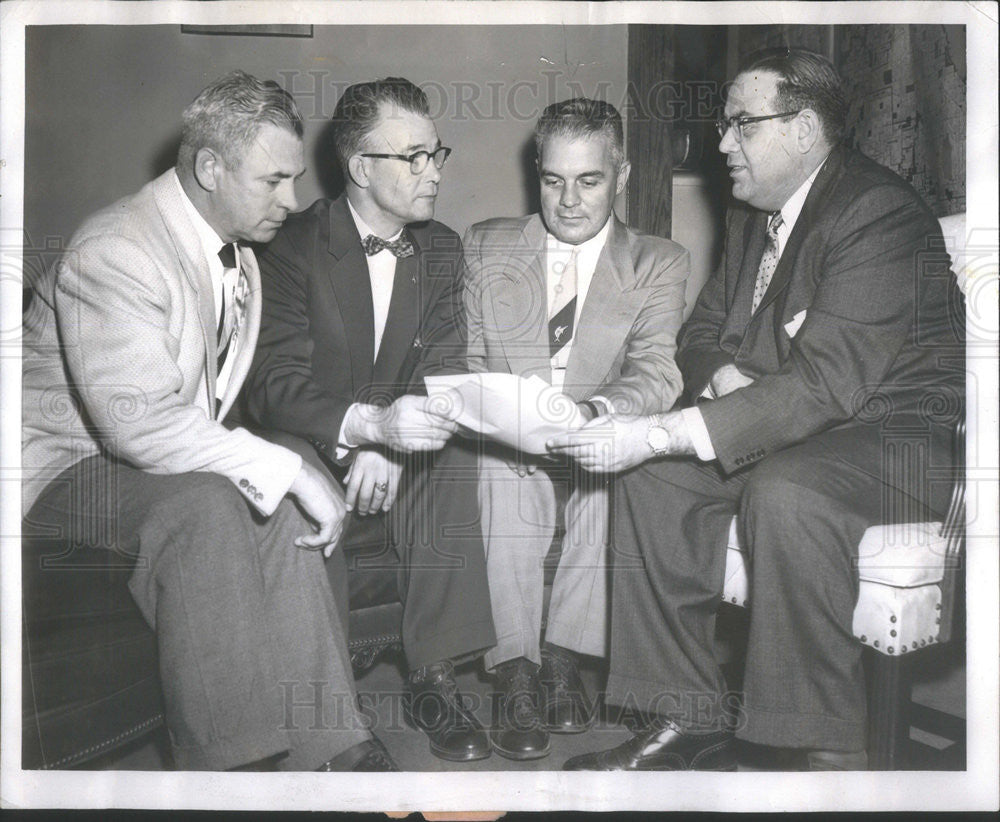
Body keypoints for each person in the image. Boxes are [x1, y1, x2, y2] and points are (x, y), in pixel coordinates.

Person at [550, 49, 965, 771]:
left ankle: (819, 747)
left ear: (804, 129)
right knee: (652, 481)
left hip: (897, 442)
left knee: (786, 492)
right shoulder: (754, 217)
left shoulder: (878, 214)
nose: (720, 143)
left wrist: (661, 429)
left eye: (742, 124)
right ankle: (687, 717)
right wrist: (724, 379)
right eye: (724, 124)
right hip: (794, 430)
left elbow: (827, 385)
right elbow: (700, 336)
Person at [21, 71, 397, 771]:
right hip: (58, 476)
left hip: (140, 468)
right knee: (206, 506)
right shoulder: (116, 247)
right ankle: (236, 770)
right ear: (208, 167)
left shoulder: (242, 255)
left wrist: (305, 462)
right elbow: (142, 426)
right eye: (273, 181)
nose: (291, 199)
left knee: (272, 503)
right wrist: (288, 469)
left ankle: (334, 749)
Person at [244, 77, 496, 763]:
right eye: (412, 157)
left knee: (455, 452)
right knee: (298, 480)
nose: (434, 171)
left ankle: (434, 675)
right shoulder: (291, 245)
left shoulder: (440, 249)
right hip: (312, 435)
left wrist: (392, 441)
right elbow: (272, 384)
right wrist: (362, 436)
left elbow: (442, 368)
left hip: (389, 438)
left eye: (435, 152)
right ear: (360, 168)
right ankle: (331, 713)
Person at [462, 98, 689, 760]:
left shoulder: (658, 262)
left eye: (588, 180)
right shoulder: (488, 245)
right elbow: (468, 360)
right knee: (499, 470)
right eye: (553, 179)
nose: (568, 200)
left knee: (608, 470)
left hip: (593, 433)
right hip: (507, 441)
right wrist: (501, 415)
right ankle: (516, 673)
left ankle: (563, 657)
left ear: (619, 174)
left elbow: (656, 372)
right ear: (537, 172)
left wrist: (594, 416)